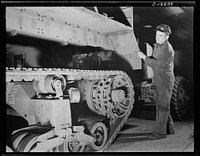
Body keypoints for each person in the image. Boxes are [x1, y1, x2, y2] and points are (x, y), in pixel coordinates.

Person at [137, 24, 175, 139]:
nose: (157, 37)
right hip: (160, 77)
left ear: (167, 36)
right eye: (156, 35)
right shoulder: (159, 45)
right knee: (163, 104)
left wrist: (143, 57)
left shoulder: (166, 48)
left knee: (162, 106)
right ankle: (169, 129)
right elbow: (155, 58)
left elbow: (156, 64)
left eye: (160, 35)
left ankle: (160, 133)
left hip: (164, 79)